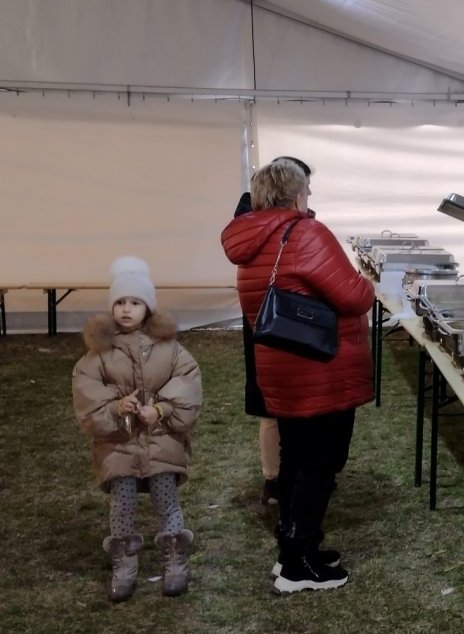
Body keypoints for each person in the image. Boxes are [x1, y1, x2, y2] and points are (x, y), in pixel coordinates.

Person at [221, 158, 374, 594]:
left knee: (294, 460)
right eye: (307, 189)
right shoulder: (306, 232)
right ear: (294, 193)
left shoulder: (251, 237)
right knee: (317, 466)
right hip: (318, 369)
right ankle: (298, 565)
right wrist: (366, 282)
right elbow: (354, 295)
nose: (310, 197)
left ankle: (292, 547)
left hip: (280, 366)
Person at [72, 256, 203, 602]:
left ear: (148, 307)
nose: (126, 309)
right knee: (122, 504)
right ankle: (124, 561)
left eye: (134, 302)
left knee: (166, 500)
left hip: (160, 443)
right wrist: (117, 408)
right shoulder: (98, 354)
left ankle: (174, 558)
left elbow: (187, 384)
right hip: (119, 446)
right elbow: (86, 393)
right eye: (120, 302)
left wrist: (160, 409)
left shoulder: (169, 349)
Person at [233, 155, 313, 506]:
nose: (308, 195)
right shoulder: (265, 225)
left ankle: (287, 475)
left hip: (268, 321)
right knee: (274, 408)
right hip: (276, 320)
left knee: (281, 408)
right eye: (304, 188)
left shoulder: (250, 226)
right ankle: (275, 478)